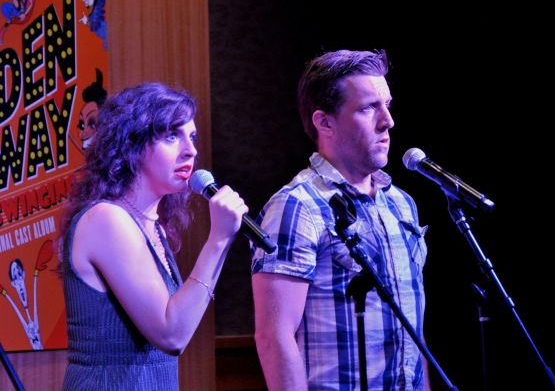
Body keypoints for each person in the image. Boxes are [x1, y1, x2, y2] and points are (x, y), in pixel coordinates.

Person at [251, 49, 430, 390]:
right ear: (325, 122)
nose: (387, 121)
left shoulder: (401, 204)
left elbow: (413, 331)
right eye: (368, 108)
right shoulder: (296, 206)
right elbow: (273, 337)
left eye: (387, 105)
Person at [57, 82, 248, 390]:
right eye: (173, 135)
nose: (191, 149)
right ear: (132, 143)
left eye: (192, 136)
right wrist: (219, 239)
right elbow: (171, 334)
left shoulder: (150, 225)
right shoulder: (107, 220)